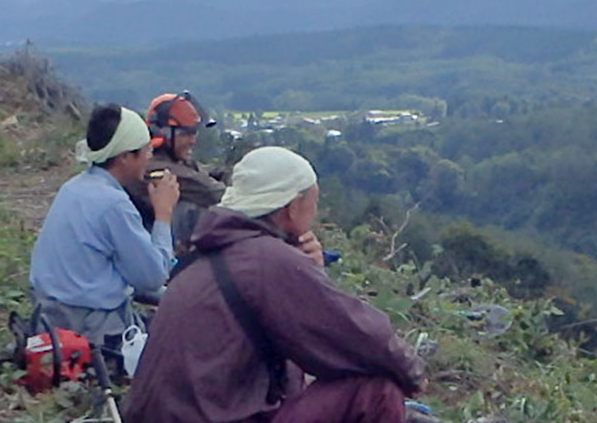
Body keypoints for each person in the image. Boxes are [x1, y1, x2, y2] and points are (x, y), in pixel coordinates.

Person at [127, 147, 424, 423]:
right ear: (293, 208)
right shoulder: (267, 259)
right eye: (313, 202)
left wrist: (310, 271)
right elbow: (358, 335)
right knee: (376, 390)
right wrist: (412, 371)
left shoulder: (204, 257)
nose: (315, 213)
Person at [29, 104, 182, 342]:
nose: (150, 157)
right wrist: (164, 214)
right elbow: (152, 277)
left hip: (49, 316)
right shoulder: (113, 204)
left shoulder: (73, 188)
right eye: (145, 150)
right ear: (124, 157)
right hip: (91, 324)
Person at [148, 92, 227, 255]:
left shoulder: (177, 162)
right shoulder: (158, 170)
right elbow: (214, 192)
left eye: (194, 133)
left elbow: (207, 172)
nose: (193, 141)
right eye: (185, 134)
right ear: (162, 133)